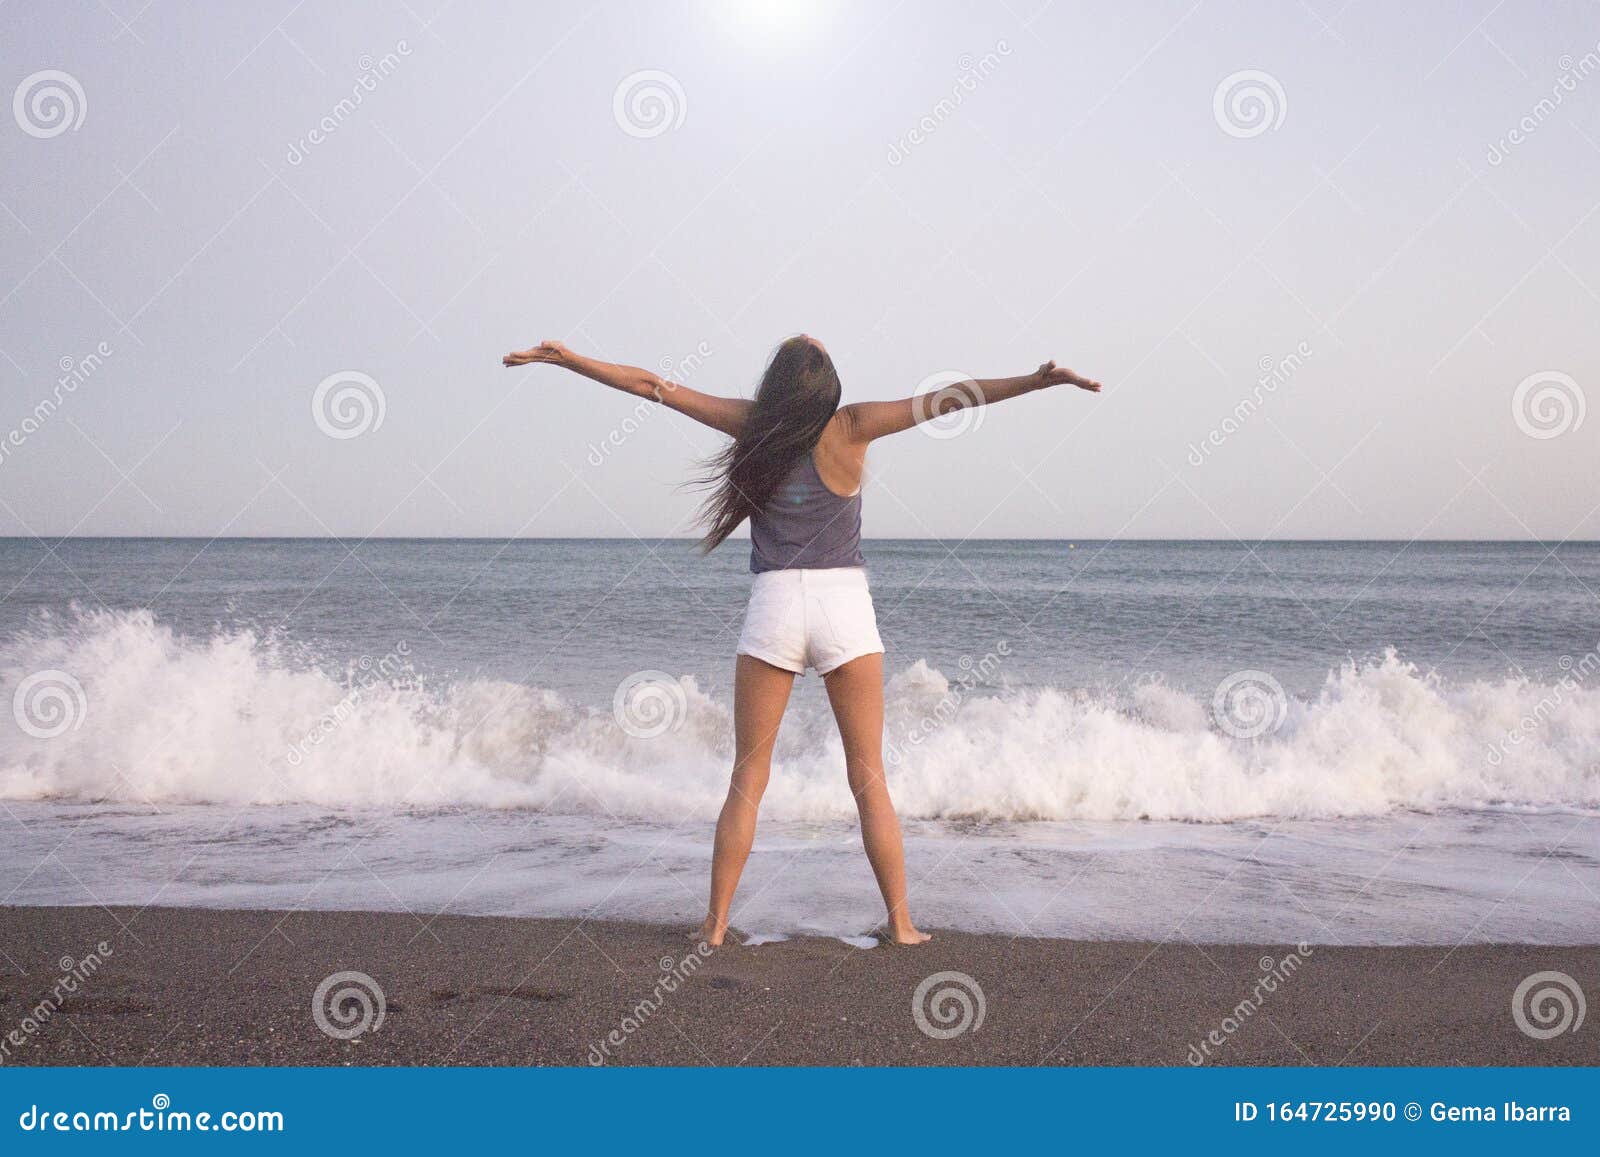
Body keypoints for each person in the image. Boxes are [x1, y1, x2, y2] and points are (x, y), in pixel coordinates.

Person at [503, 335, 1102, 944]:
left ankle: (713, 927)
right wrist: (1035, 381)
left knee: (749, 776)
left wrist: (569, 360)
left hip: (776, 606)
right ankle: (902, 925)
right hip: (846, 608)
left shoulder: (750, 424)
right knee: (869, 777)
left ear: (778, 381)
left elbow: (650, 385)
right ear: (827, 385)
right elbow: (949, 400)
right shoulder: (855, 424)